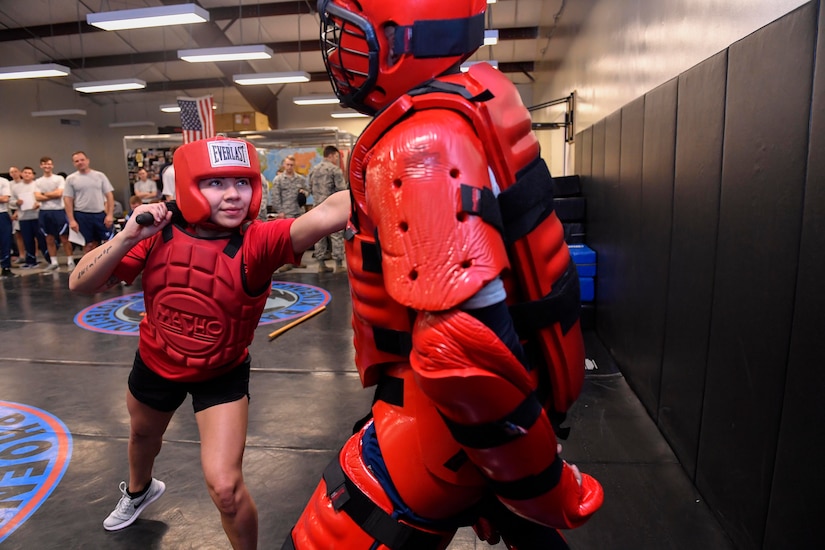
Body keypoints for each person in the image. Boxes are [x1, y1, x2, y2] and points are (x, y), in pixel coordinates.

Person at [282, 1, 603, 549]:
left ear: (399, 30)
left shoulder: (422, 141)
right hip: (487, 425)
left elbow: (462, 349)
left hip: (436, 433)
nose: (338, 49)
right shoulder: (466, 108)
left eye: (351, 30)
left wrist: (535, 482)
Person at [68, 136, 350, 549]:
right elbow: (79, 282)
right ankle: (138, 490)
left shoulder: (259, 240)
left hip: (221, 373)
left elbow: (331, 210)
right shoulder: (154, 232)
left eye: (242, 182)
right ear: (187, 187)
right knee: (143, 437)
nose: (234, 195)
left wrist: (392, 171)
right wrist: (128, 236)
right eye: (216, 183)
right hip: (155, 360)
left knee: (226, 489)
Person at [64, 151, 115, 253]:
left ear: (87, 161)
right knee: (89, 244)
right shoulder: (71, 179)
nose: (80, 162)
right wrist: (72, 220)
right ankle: (90, 267)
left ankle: (110, 266)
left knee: (108, 242)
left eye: (82, 160)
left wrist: (110, 214)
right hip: (82, 215)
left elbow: (109, 196)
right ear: (74, 164)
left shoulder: (100, 176)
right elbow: (68, 200)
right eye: (77, 161)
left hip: (99, 214)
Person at [308, 146, 347, 273]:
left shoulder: (314, 170)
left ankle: (321, 264)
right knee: (336, 235)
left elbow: (309, 187)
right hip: (332, 208)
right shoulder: (335, 170)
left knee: (319, 235)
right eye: (336, 156)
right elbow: (341, 190)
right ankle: (339, 264)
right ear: (330, 155)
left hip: (317, 207)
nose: (336, 159)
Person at [34, 156, 75, 271]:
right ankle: (54, 262)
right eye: (44, 164)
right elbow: (37, 197)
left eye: (49, 164)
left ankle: (70, 261)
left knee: (64, 237)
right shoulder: (38, 181)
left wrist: (44, 194)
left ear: (52, 165)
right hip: (45, 212)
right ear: (41, 166)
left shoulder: (59, 179)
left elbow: (59, 194)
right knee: (49, 238)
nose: (47, 166)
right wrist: (50, 194)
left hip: (58, 211)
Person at [270, 155, 308, 271]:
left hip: (298, 212)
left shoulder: (300, 179)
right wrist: (280, 211)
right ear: (284, 165)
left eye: (292, 165)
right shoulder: (279, 180)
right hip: (286, 213)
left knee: (300, 238)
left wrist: (304, 193)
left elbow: (307, 191)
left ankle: (297, 261)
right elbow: (275, 197)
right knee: (286, 239)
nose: (290, 167)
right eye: (287, 165)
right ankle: (286, 262)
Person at [11, 166, 50, 269]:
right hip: (24, 218)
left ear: (33, 175)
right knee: (28, 240)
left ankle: (50, 260)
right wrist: (16, 202)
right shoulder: (16, 187)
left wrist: (39, 204)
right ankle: (31, 261)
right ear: (21, 174)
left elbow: (45, 198)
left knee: (42, 239)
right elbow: (11, 202)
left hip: (37, 216)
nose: (27, 174)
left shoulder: (38, 185)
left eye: (29, 173)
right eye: (25, 173)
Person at [0, 173, 14, 277]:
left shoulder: (3, 181)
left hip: (2, 214)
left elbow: (5, 199)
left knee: (5, 241)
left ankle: (5, 267)